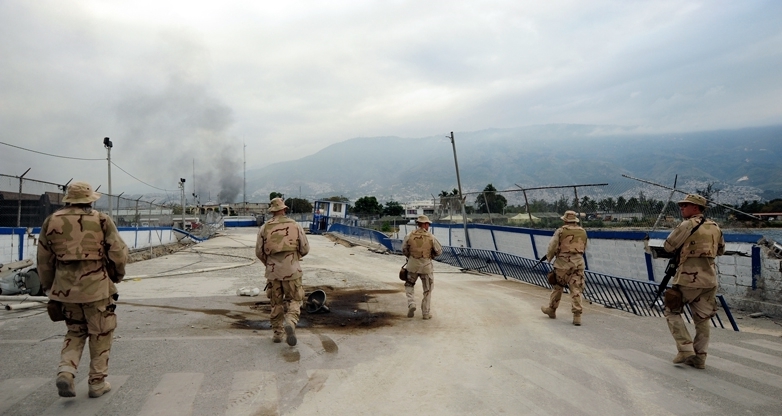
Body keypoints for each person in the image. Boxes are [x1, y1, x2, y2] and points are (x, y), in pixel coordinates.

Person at [37, 181, 128, 398]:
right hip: (97, 290)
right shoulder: (101, 220)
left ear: (68, 199)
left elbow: (44, 260)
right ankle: (97, 383)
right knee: (101, 333)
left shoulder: (51, 221)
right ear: (89, 200)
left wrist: (50, 288)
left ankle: (66, 371)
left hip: (65, 291)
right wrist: (117, 275)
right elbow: (118, 253)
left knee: (76, 331)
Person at [663, 194, 725, 369]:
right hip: (709, 279)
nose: (682, 208)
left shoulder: (687, 225)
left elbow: (668, 246)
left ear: (696, 208)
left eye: (685, 205)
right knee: (702, 319)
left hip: (688, 278)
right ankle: (699, 358)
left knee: (671, 310)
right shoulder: (715, 227)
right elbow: (720, 250)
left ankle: (685, 349)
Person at [255, 197, 310, 346]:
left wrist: (269, 264)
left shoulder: (264, 228)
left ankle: (278, 333)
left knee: (276, 303)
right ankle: (290, 322)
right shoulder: (295, 225)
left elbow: (259, 252)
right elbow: (305, 248)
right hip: (292, 271)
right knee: (295, 299)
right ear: (284, 209)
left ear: (272, 211)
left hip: (273, 272)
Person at [541, 210, 588, 326]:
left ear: (565, 220)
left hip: (562, 264)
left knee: (558, 287)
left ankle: (552, 310)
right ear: (575, 220)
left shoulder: (561, 231)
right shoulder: (583, 231)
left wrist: (549, 257)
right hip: (578, 264)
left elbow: (552, 246)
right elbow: (584, 246)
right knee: (576, 289)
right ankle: (577, 316)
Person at [401, 215, 443, 320]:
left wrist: (411, 257)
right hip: (426, 267)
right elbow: (439, 251)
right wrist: (430, 256)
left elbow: (404, 249)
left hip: (412, 266)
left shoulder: (409, 235)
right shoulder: (431, 237)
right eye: (428, 223)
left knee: (409, 285)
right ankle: (425, 313)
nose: (428, 225)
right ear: (424, 224)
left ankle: (411, 303)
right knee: (427, 290)